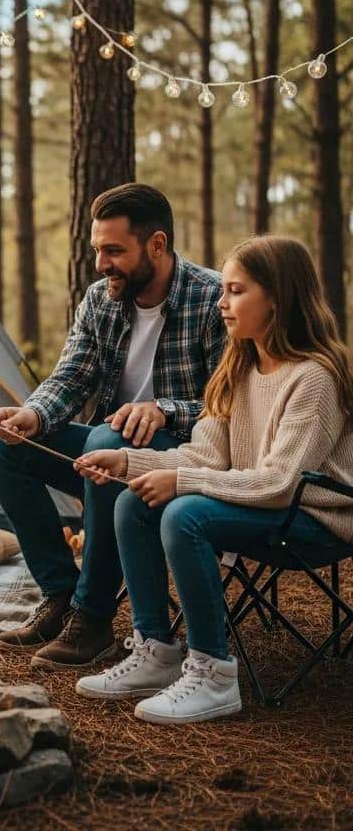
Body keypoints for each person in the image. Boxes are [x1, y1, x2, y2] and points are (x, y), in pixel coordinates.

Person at [73, 235, 353, 723]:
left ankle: (214, 673)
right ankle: (157, 651)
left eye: (236, 291)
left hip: (314, 519)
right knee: (132, 504)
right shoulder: (239, 366)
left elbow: (281, 483)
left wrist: (181, 482)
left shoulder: (313, 378)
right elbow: (205, 455)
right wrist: (126, 461)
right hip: (264, 507)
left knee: (185, 514)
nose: (221, 303)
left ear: (278, 298)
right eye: (223, 290)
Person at [0, 183, 226, 669]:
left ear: (156, 245)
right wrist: (32, 415)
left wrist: (164, 410)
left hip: (179, 468)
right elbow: (71, 377)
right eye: (97, 250)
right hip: (106, 465)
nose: (100, 264)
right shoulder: (100, 299)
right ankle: (60, 595)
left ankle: (93, 618)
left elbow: (231, 406)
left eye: (113, 251)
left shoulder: (213, 299)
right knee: (1, 448)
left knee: (107, 437)